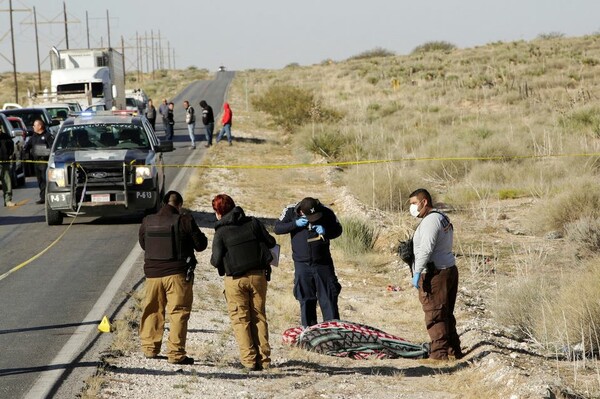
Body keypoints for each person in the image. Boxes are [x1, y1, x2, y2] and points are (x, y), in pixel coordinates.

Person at [138, 190, 208, 365]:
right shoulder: (185, 220)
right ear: (179, 205)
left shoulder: (148, 220)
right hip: (177, 274)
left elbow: (143, 244)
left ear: (163, 203)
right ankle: (176, 354)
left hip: (153, 275)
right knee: (178, 313)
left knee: (152, 310)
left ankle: (150, 349)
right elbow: (200, 245)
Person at [210, 194, 276, 371]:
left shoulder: (221, 231)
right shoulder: (253, 223)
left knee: (241, 319)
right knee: (259, 316)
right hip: (258, 277)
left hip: (235, 280)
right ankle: (264, 360)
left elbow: (215, 260)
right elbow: (271, 241)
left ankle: (248, 361)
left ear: (218, 213)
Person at [408, 188, 462, 361]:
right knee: (445, 312)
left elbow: (426, 249)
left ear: (424, 202)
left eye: (414, 203)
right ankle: (454, 350)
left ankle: (439, 355)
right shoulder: (441, 217)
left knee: (435, 313)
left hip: (436, 273)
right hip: (448, 269)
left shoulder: (431, 221)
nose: (413, 208)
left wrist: (417, 272)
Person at [274, 197, 342, 328]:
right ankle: (309, 330)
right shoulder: (290, 211)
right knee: (306, 299)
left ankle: (333, 332)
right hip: (302, 264)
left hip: (323, 263)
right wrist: (294, 224)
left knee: (329, 298)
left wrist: (326, 231)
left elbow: (338, 230)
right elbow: (277, 228)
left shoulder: (326, 211)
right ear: (301, 212)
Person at [24, 119, 54, 204]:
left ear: (39, 126)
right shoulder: (34, 136)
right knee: (40, 181)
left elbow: (52, 149)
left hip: (45, 162)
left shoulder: (48, 136)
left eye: (34, 125)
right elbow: (27, 146)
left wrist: (43, 152)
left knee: (46, 180)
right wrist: (26, 153)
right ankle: (43, 197)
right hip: (37, 162)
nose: (33, 127)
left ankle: (48, 197)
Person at [0, 124, 15, 207]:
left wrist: (9, 155)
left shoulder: (6, 137)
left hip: (5, 162)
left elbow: (11, 147)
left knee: (7, 182)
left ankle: (8, 200)